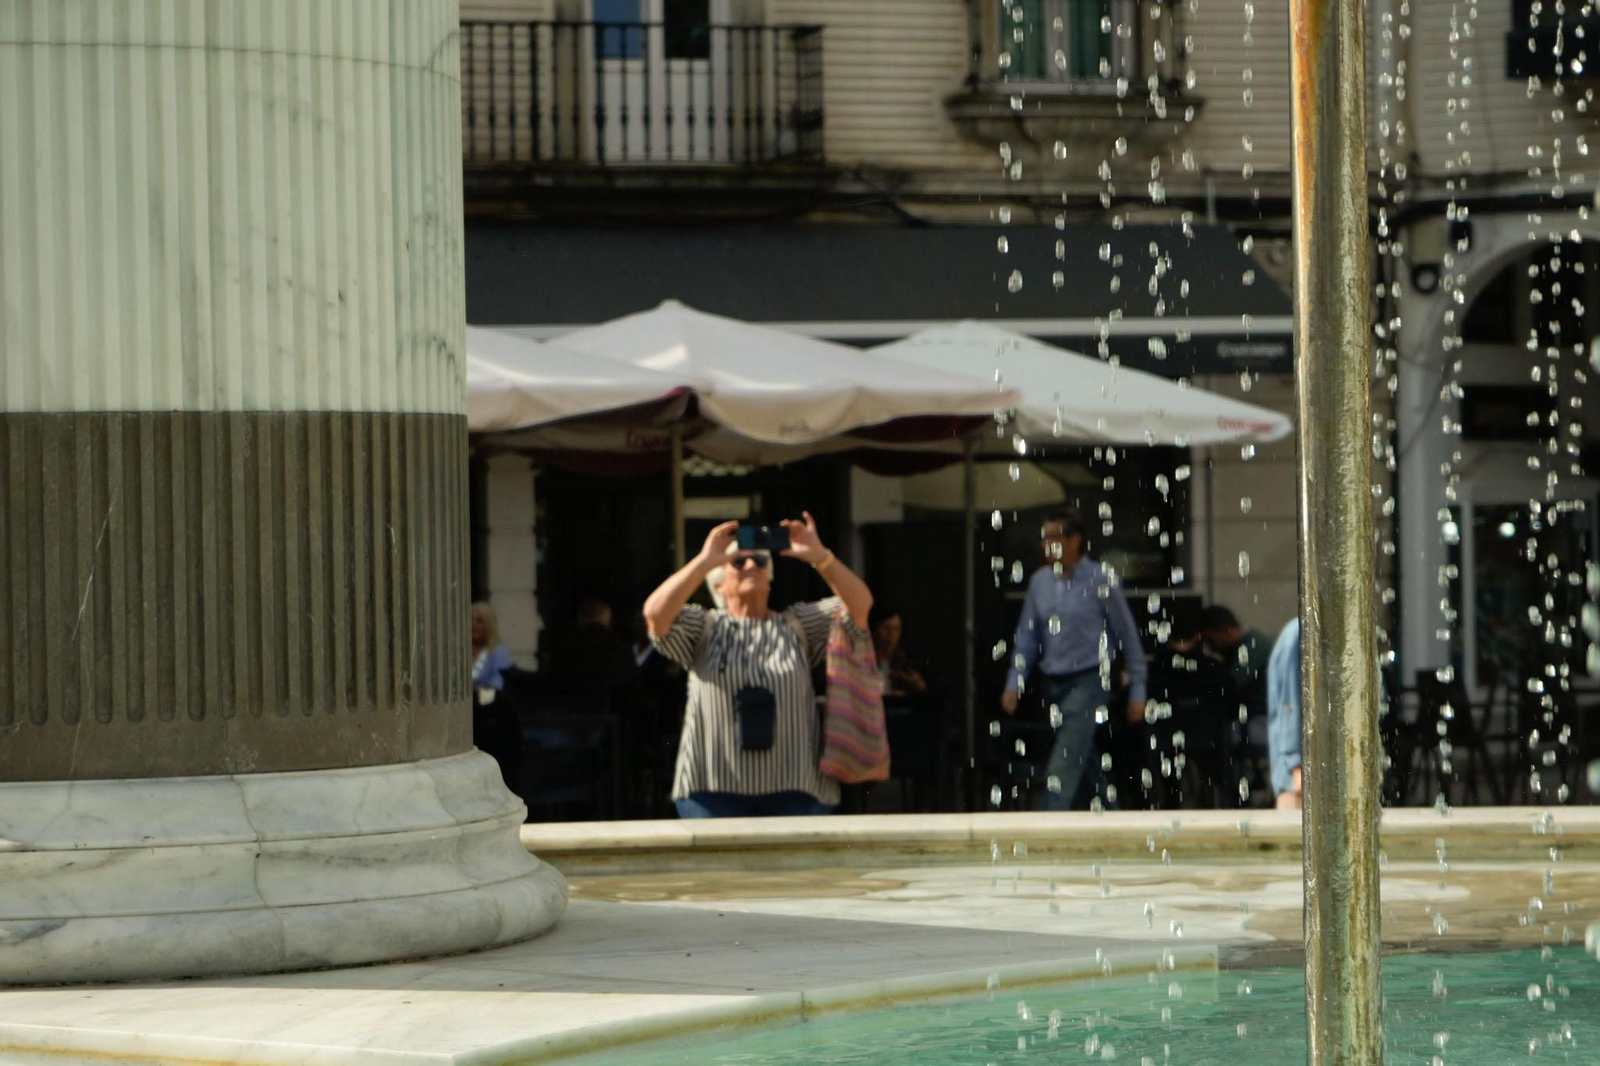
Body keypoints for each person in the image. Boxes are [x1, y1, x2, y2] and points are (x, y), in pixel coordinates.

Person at [643, 512, 874, 818]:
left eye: (761, 562)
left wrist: (821, 557)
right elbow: (655, 617)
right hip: (712, 788)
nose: (751, 565)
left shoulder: (800, 624)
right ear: (719, 584)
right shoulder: (703, 627)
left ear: (770, 578)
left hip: (797, 786)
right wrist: (704, 561)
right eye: (738, 562)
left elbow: (860, 607)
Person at [1002, 508, 1148, 811]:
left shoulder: (1100, 578)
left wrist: (1138, 690)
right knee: (1083, 757)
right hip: (1053, 681)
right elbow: (1027, 637)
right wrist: (1014, 681)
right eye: (1045, 538)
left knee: (1065, 760)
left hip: (1091, 678)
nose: (1047, 544)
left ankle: (1046, 824)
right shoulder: (1040, 581)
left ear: (1075, 540)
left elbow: (1127, 636)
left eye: (1054, 537)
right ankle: (1111, 817)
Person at [1147, 600, 1236, 808]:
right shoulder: (1214, 668)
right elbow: (1230, 705)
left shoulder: (1154, 669)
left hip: (1165, 741)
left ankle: (1167, 805)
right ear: (1199, 634)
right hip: (1208, 742)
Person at [1201, 604, 1273, 797]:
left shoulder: (1254, 645)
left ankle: (1230, 797)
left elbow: (1231, 685)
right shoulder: (1244, 646)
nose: (1211, 648)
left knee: (1216, 737)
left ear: (1226, 631)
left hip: (1261, 721)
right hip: (1249, 720)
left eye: (1211, 641)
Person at [1266, 617, 1303, 809]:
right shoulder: (1301, 632)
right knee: (1296, 836)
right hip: (1297, 775)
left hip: (1304, 770)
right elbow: (1289, 703)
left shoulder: (1300, 630)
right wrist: (1296, 765)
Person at [869, 603, 927, 697]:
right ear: (875, 629)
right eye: (886, 628)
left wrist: (919, 685)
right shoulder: (864, 658)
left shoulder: (906, 662)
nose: (891, 634)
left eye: (896, 629)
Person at [471, 602, 515, 696]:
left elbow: (499, 684)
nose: (473, 626)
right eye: (470, 621)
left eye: (479, 621)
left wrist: (475, 690)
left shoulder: (498, 650)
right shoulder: (461, 651)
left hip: (487, 705)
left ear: (489, 624)